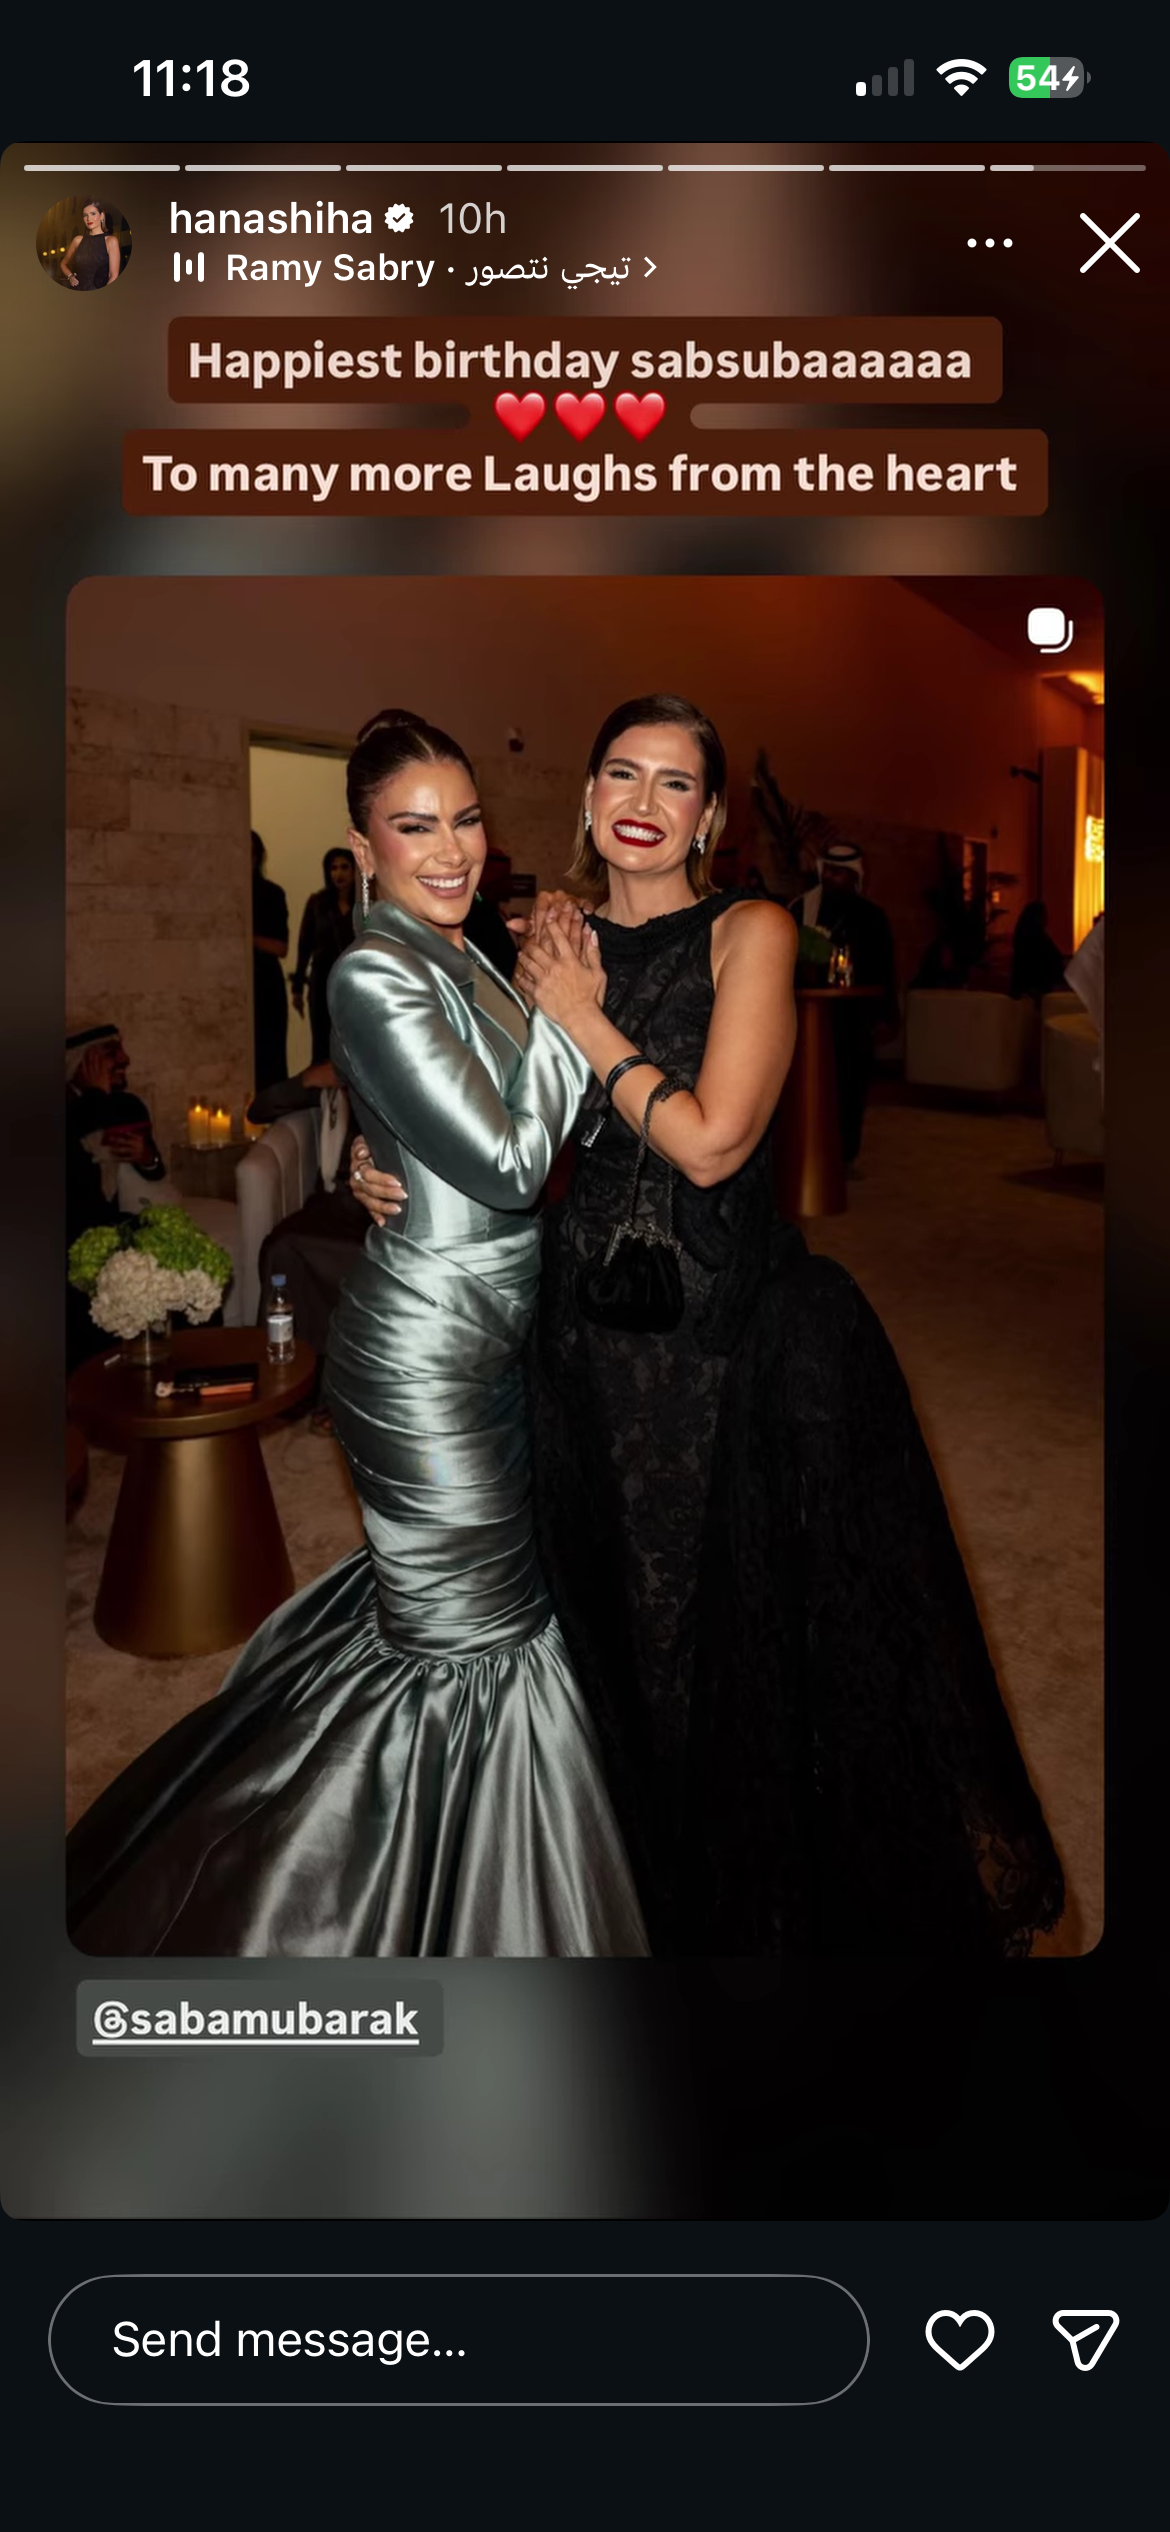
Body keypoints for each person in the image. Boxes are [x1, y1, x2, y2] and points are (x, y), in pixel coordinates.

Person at [352, 693, 1065, 1959]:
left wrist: (580, 1017)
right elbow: (464, 1097)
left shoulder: (753, 930)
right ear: (586, 798)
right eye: (621, 774)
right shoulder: (541, 940)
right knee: (611, 1632)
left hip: (721, 1351)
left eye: (675, 783)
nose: (644, 802)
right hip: (579, 1342)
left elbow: (715, 1140)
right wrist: (377, 1156)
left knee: (723, 1643)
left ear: (712, 816)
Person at [66, 712, 647, 1960]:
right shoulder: (372, 968)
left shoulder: (466, 949)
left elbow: (545, 1129)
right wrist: (572, 1016)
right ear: (362, 841)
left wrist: (403, 1136)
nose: (452, 850)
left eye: (467, 819)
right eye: (414, 826)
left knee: (474, 1616)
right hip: (425, 1362)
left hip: (501, 1333)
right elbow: (512, 1160)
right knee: (480, 1643)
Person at [66, 1021, 171, 1369]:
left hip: (110, 1227)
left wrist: (146, 1156)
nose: (125, 1059)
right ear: (81, 1063)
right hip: (70, 1236)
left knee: (181, 1261)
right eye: (111, 1054)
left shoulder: (125, 1106)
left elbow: (156, 1170)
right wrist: (94, 1097)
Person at [789, 840, 897, 1166]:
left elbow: (885, 969)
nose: (833, 878)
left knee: (850, 1086)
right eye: (829, 871)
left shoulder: (873, 917)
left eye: (841, 873)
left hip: (854, 1017)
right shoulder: (801, 910)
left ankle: (844, 1155)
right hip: (808, 1015)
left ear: (855, 876)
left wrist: (886, 1015)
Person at [290, 850, 357, 1063]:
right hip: (322, 979)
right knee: (322, 1043)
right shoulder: (318, 903)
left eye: (344, 867)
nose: (339, 873)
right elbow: (304, 945)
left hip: (354, 979)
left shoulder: (364, 904)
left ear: (354, 870)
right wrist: (298, 987)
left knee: (353, 1042)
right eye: (333, 868)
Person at [251, 831, 290, 1090]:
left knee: (270, 1057)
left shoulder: (271, 894)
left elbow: (281, 947)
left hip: (265, 983)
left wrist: (248, 939)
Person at [1010, 900, 1069, 1002]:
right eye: (1044, 915)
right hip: (1038, 989)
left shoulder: (1023, 936)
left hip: (1027, 988)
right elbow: (1052, 961)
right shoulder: (1038, 938)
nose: (1047, 918)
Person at [61, 199, 121, 290]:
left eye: (93, 214)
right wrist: (70, 276)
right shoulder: (77, 240)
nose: (88, 219)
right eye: (85, 215)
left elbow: (113, 275)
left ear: (102, 216)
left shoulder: (111, 241)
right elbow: (63, 264)